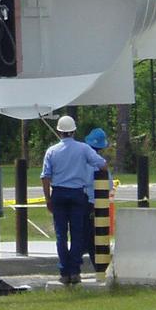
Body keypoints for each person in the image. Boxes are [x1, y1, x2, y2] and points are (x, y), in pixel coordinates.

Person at [41, 115, 107, 285]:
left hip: (59, 194)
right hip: (78, 194)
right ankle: (75, 271)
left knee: (61, 235)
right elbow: (102, 164)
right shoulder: (83, 149)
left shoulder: (51, 151)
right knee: (77, 233)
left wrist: (48, 199)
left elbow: (45, 177)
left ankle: (64, 272)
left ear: (59, 131)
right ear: (74, 131)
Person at [82, 127, 111, 271]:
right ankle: (101, 269)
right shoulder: (100, 163)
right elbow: (109, 184)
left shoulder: (79, 158)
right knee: (94, 239)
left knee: (81, 235)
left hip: (80, 201)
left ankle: (72, 268)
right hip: (95, 204)